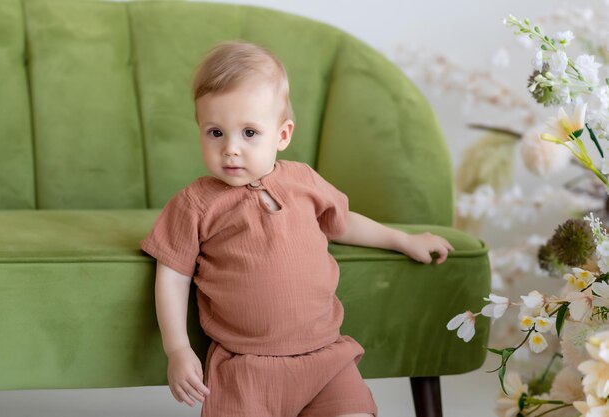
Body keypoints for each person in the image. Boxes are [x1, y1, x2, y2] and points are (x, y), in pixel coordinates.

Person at [140, 40, 454, 417]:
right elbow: (173, 275)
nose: (231, 149)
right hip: (245, 368)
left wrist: (403, 240)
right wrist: (177, 349)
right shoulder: (195, 203)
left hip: (324, 359)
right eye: (215, 132)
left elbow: (342, 222)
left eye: (249, 133)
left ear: (283, 134)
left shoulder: (303, 181)